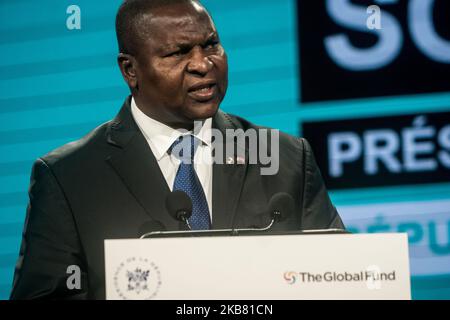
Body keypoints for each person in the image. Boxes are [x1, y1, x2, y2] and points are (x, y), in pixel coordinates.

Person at [10, 0, 344, 300]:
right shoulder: (68, 176)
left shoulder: (285, 157)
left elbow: (339, 278)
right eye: (178, 53)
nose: (203, 64)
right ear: (130, 70)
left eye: (211, 44)